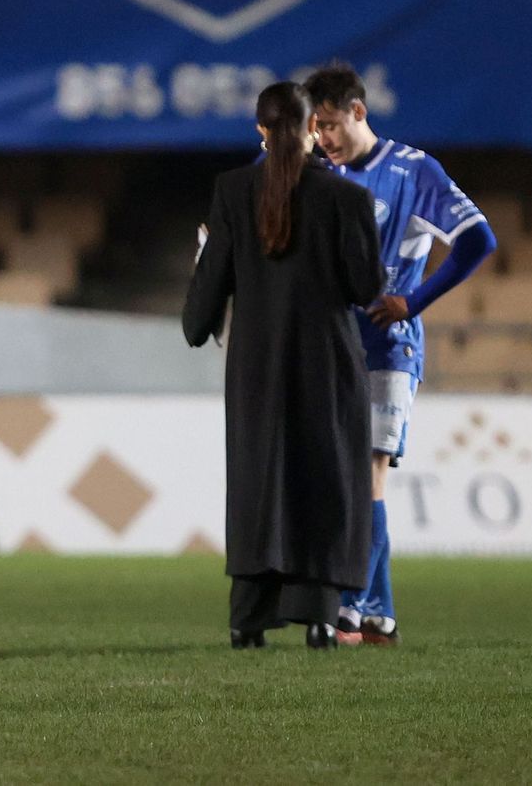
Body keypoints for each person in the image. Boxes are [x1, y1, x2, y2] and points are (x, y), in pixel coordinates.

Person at [183, 81, 385, 649]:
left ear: (261, 132)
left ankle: (248, 621)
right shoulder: (347, 199)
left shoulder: (231, 190)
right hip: (327, 362)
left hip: (256, 368)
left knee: (258, 483)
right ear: (312, 132)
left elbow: (211, 284)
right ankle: (320, 617)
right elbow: (365, 286)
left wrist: (196, 325)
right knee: (323, 483)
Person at [302, 64, 498, 645]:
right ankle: (379, 615)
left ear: (358, 112)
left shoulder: (412, 172)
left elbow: (477, 241)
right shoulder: (318, 171)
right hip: (334, 346)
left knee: (367, 477)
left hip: (389, 346)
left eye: (332, 125)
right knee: (347, 481)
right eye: (317, 128)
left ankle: (349, 609)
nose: (325, 138)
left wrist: (412, 302)